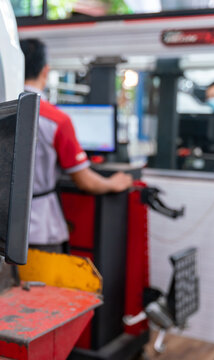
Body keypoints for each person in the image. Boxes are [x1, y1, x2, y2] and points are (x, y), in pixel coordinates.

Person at [20, 38, 133, 253]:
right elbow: (86, 182)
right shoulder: (56, 120)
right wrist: (113, 183)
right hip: (39, 229)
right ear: (46, 70)